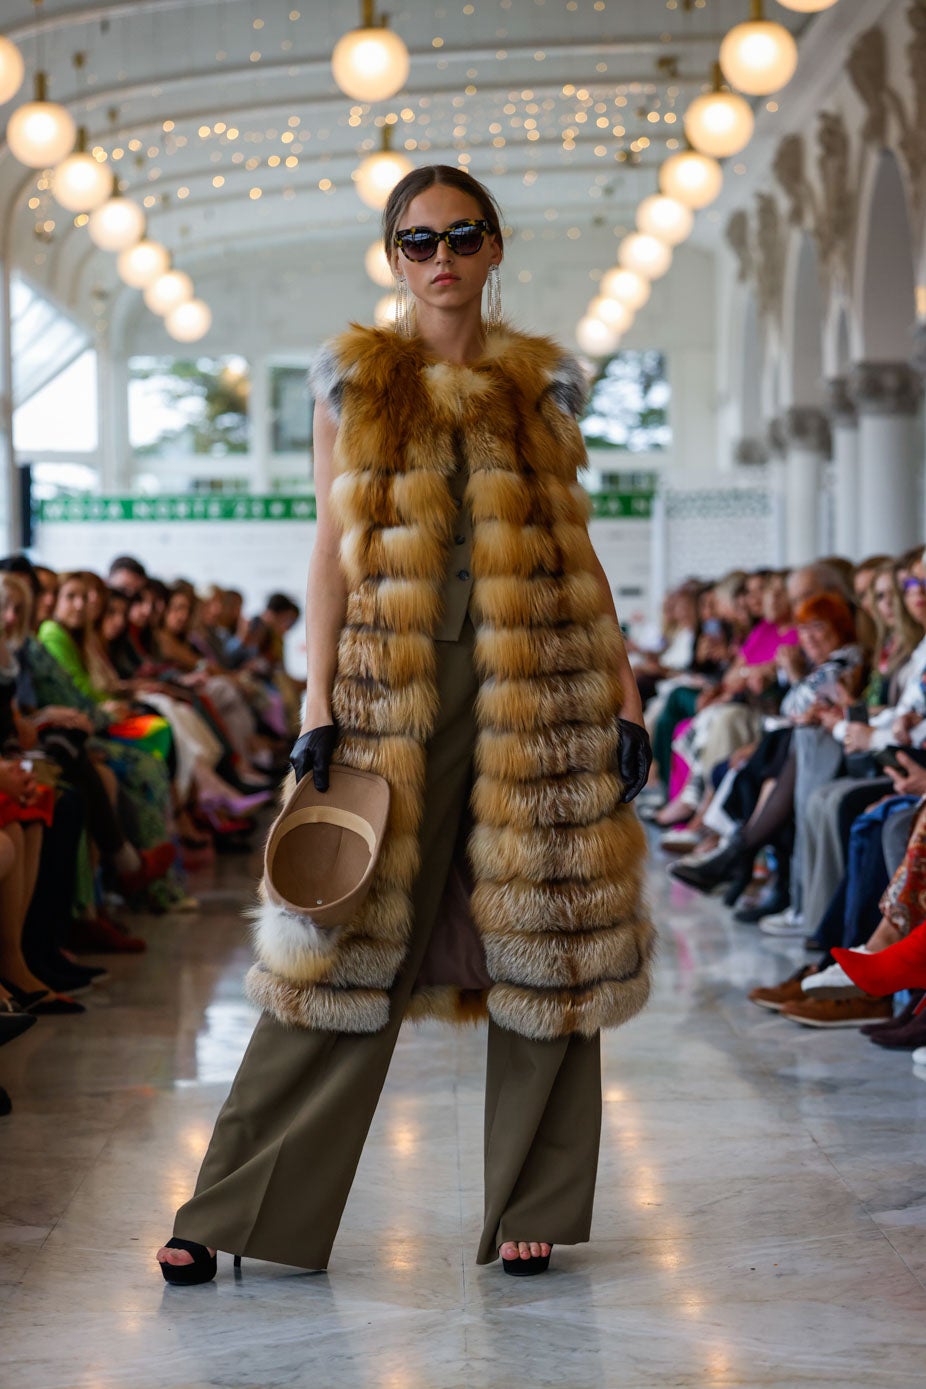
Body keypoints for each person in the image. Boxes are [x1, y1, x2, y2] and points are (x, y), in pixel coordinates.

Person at [157, 164, 654, 1285]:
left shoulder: (542, 389)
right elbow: (328, 557)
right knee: (338, 944)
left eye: (460, 237)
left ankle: (531, 1201)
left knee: (547, 944)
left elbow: (577, 553)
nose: (440, 258)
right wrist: (317, 700)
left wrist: (623, 697)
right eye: (416, 241)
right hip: (389, 696)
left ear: (492, 249)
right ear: (393, 257)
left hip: (540, 689)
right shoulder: (357, 388)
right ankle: (235, 1205)